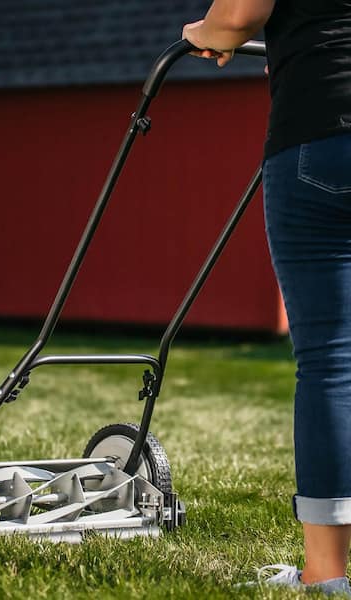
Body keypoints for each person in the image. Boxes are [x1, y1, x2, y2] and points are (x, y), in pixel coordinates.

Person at [182, 0, 351, 595]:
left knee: (333, 360)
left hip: (322, 136)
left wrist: (202, 33)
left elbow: (236, 14)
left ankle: (327, 576)